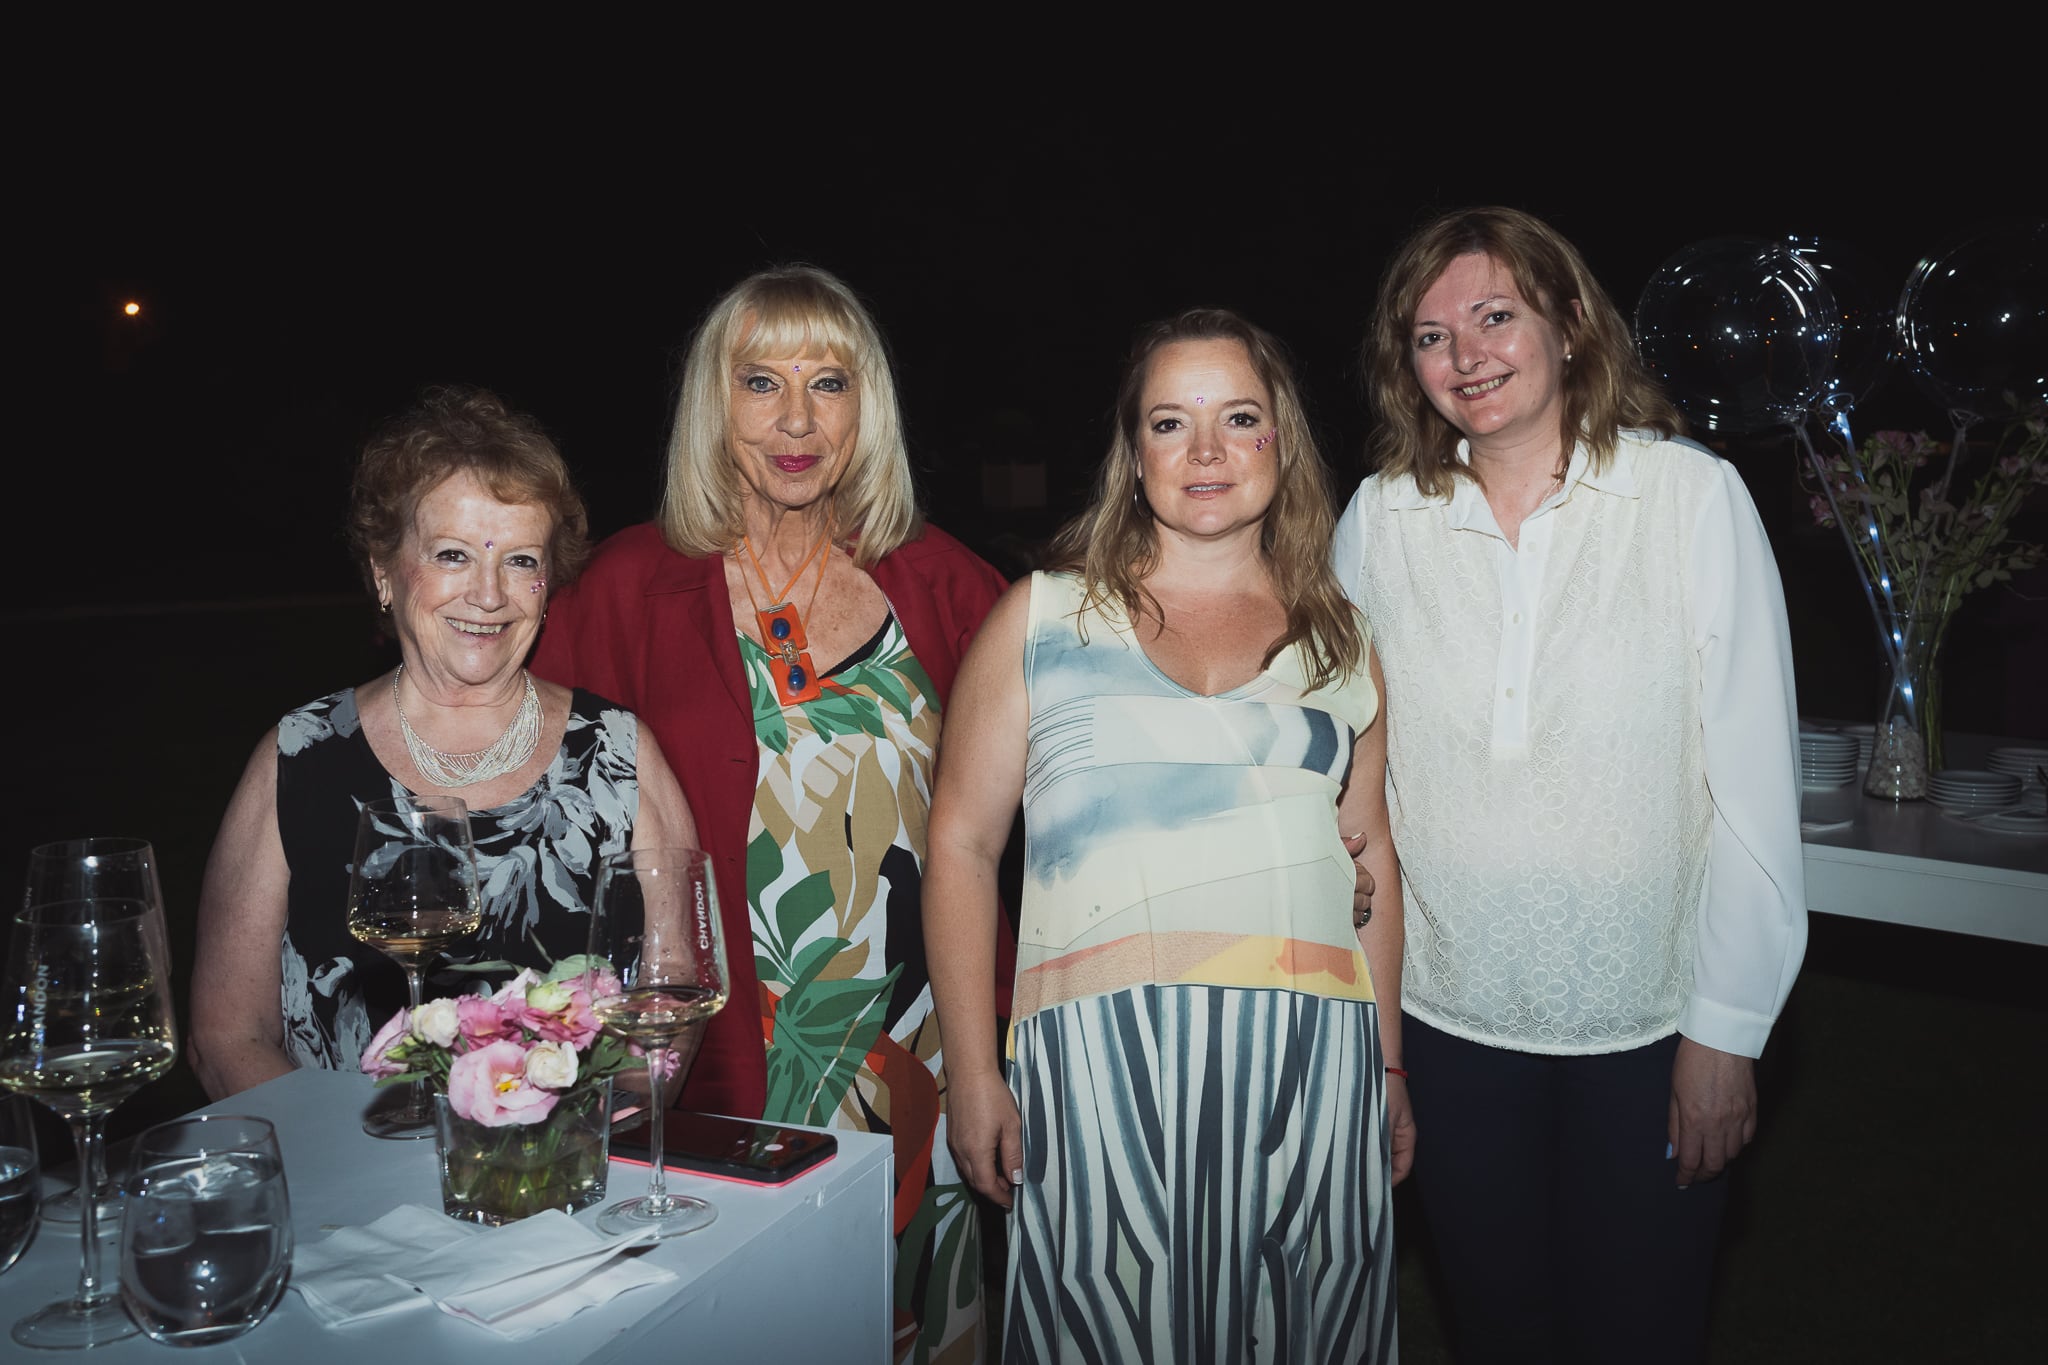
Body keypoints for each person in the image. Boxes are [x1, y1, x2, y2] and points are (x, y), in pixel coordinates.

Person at [1331, 207, 1806, 1364]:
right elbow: (1340, 778)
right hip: (1442, 1025)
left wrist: (1726, 1029)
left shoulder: (1688, 500)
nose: (1465, 355)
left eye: (1494, 316)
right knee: (1497, 1328)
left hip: (1647, 1026)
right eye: (1429, 335)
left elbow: (1753, 788)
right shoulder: (1379, 520)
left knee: (1638, 1330)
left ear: (1568, 323)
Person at [530, 266, 1009, 1362]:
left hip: (918, 1055)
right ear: (714, 402)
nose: (795, 421)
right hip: (716, 1057)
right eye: (760, 382)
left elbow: (1080, 760)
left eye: (827, 383)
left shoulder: (945, 587)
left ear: (865, 406)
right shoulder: (624, 588)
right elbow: (527, 790)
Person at [926, 309, 1408, 1364]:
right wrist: (973, 1073)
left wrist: (1386, 1076)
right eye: (1167, 422)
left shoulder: (1342, 640)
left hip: (1309, 1066)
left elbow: (1368, 855)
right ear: (1130, 452)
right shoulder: (1043, 618)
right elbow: (959, 846)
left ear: (1280, 440)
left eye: (1237, 418)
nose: (1203, 452)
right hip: (1094, 1065)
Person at [189, 387, 696, 1099]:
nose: (488, 595)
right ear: (384, 571)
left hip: (566, 1187)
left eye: (520, 560)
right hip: (342, 1195)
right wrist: (361, 1179)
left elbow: (671, 1013)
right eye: (454, 554)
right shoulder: (297, 758)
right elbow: (225, 1041)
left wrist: (543, 1155)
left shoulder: (619, 754)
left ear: (549, 585)